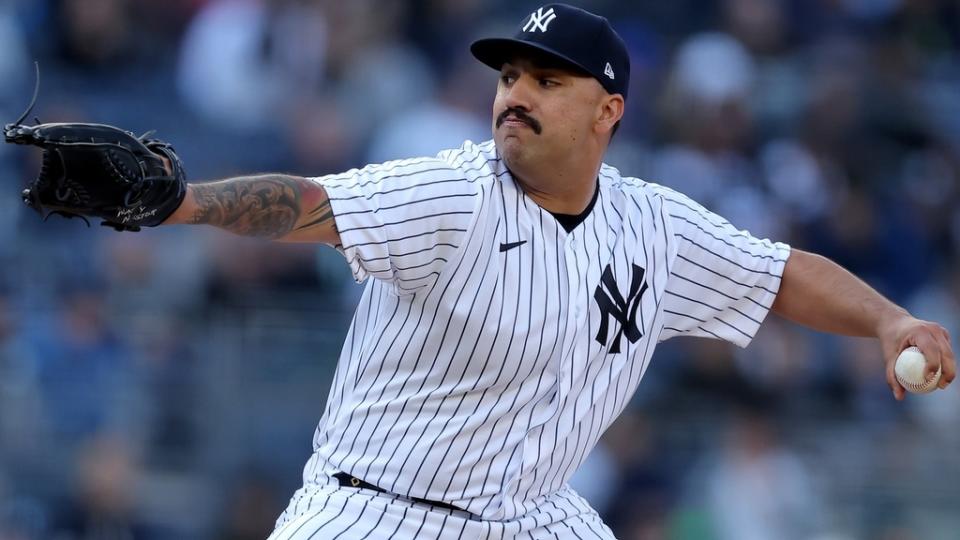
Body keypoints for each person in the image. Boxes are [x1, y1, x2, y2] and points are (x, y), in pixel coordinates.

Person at [22, 4, 959, 539]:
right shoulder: (453, 194)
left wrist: (886, 321)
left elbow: (778, 274)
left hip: (534, 519)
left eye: (546, 81)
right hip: (377, 516)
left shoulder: (654, 228)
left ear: (610, 111)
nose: (515, 96)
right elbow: (309, 203)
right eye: (509, 76)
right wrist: (174, 201)